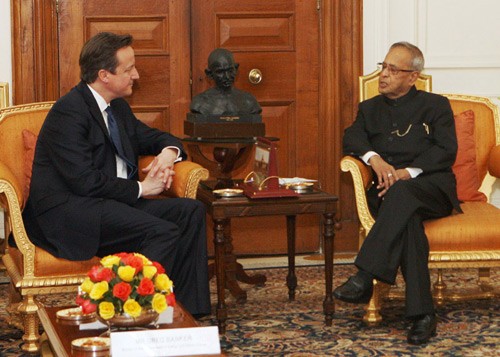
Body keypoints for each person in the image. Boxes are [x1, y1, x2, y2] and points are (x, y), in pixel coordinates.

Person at [20, 32, 211, 317]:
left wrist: (169, 153)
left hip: (111, 200)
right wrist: (142, 189)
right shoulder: (69, 113)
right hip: (72, 210)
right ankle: (132, 312)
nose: (136, 74)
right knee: (162, 231)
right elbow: (83, 181)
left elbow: (156, 137)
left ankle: (188, 313)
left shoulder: (117, 108)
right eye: (128, 69)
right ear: (104, 75)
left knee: (191, 211)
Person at [334, 42, 461, 345]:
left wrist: (407, 172)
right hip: (390, 196)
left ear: (413, 76)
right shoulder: (370, 108)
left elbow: (447, 150)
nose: (384, 74)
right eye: (384, 66)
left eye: (393, 69)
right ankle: (422, 315)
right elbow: (351, 137)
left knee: (402, 193)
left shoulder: (436, 105)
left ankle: (366, 275)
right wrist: (373, 157)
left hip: (431, 188)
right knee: (409, 225)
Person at [190, 48, 262, 116]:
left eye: (230, 70)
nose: (227, 76)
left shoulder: (249, 102)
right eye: (220, 72)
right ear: (210, 74)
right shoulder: (200, 103)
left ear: (236, 69)